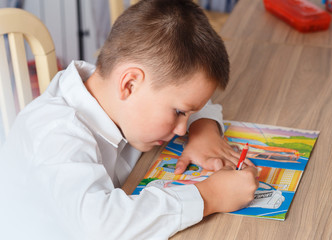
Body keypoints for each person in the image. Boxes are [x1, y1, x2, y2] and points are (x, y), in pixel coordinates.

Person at [0, 0, 258, 239]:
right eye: (179, 113)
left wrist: (203, 130)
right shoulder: (57, 134)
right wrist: (209, 196)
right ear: (130, 84)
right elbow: (100, 226)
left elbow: (194, 98)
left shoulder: (109, 91)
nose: (181, 129)